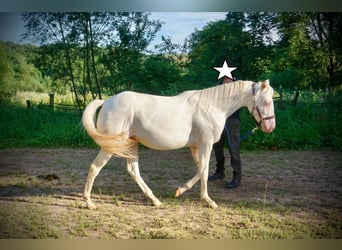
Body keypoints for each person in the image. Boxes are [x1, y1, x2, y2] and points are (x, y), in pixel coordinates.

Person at [208, 76, 242, 189]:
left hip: (232, 122)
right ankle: (219, 172)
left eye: (229, 77)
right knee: (217, 147)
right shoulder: (218, 86)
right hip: (218, 121)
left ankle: (237, 177)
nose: (226, 79)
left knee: (233, 149)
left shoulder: (238, 87)